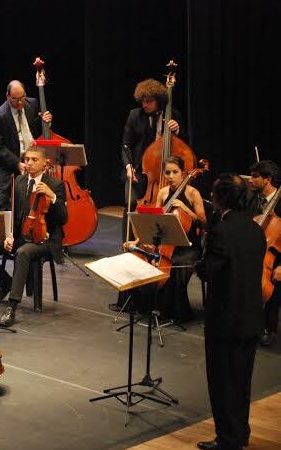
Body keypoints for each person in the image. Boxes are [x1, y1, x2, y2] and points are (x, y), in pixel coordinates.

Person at [195, 173, 266, 450]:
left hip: (225, 319)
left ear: (219, 197)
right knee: (241, 381)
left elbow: (211, 271)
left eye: (213, 193)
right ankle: (239, 434)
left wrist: (199, 266)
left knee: (223, 382)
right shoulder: (255, 229)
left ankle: (227, 439)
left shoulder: (221, 230)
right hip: (250, 316)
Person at [0, 145, 67, 327]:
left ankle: (12, 306)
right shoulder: (19, 182)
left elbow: (63, 219)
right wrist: (8, 235)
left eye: (34, 160)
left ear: (45, 163)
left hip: (44, 239)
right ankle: (5, 281)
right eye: (26, 159)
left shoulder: (55, 185)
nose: (29, 163)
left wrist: (52, 196)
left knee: (23, 253)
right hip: (19, 235)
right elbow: (10, 212)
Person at [123, 155, 206, 323]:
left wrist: (186, 209)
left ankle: (172, 312)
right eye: (167, 172)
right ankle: (145, 306)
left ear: (183, 173)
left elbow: (204, 222)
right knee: (138, 257)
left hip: (187, 246)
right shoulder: (162, 192)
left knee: (174, 265)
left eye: (175, 172)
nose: (170, 176)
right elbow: (154, 222)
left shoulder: (192, 193)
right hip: (164, 243)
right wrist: (137, 242)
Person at [121, 78, 184, 241]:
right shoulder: (135, 115)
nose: (145, 105)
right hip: (138, 169)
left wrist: (177, 131)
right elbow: (126, 145)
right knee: (132, 203)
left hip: (162, 172)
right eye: (143, 101)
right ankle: (127, 244)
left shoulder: (173, 115)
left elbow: (182, 146)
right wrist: (128, 166)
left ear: (159, 101)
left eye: (149, 101)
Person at [0, 80, 52, 211]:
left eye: (22, 97)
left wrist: (46, 123)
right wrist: (17, 163)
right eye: (15, 99)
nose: (20, 102)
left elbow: (37, 131)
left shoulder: (32, 104)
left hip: (31, 158)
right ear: (8, 97)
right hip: (7, 161)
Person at [244, 160, 280, 346]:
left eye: (255, 177)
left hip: (276, 257)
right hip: (254, 251)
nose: (250, 180)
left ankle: (268, 327)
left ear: (268, 179)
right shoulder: (251, 199)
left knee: (274, 281)